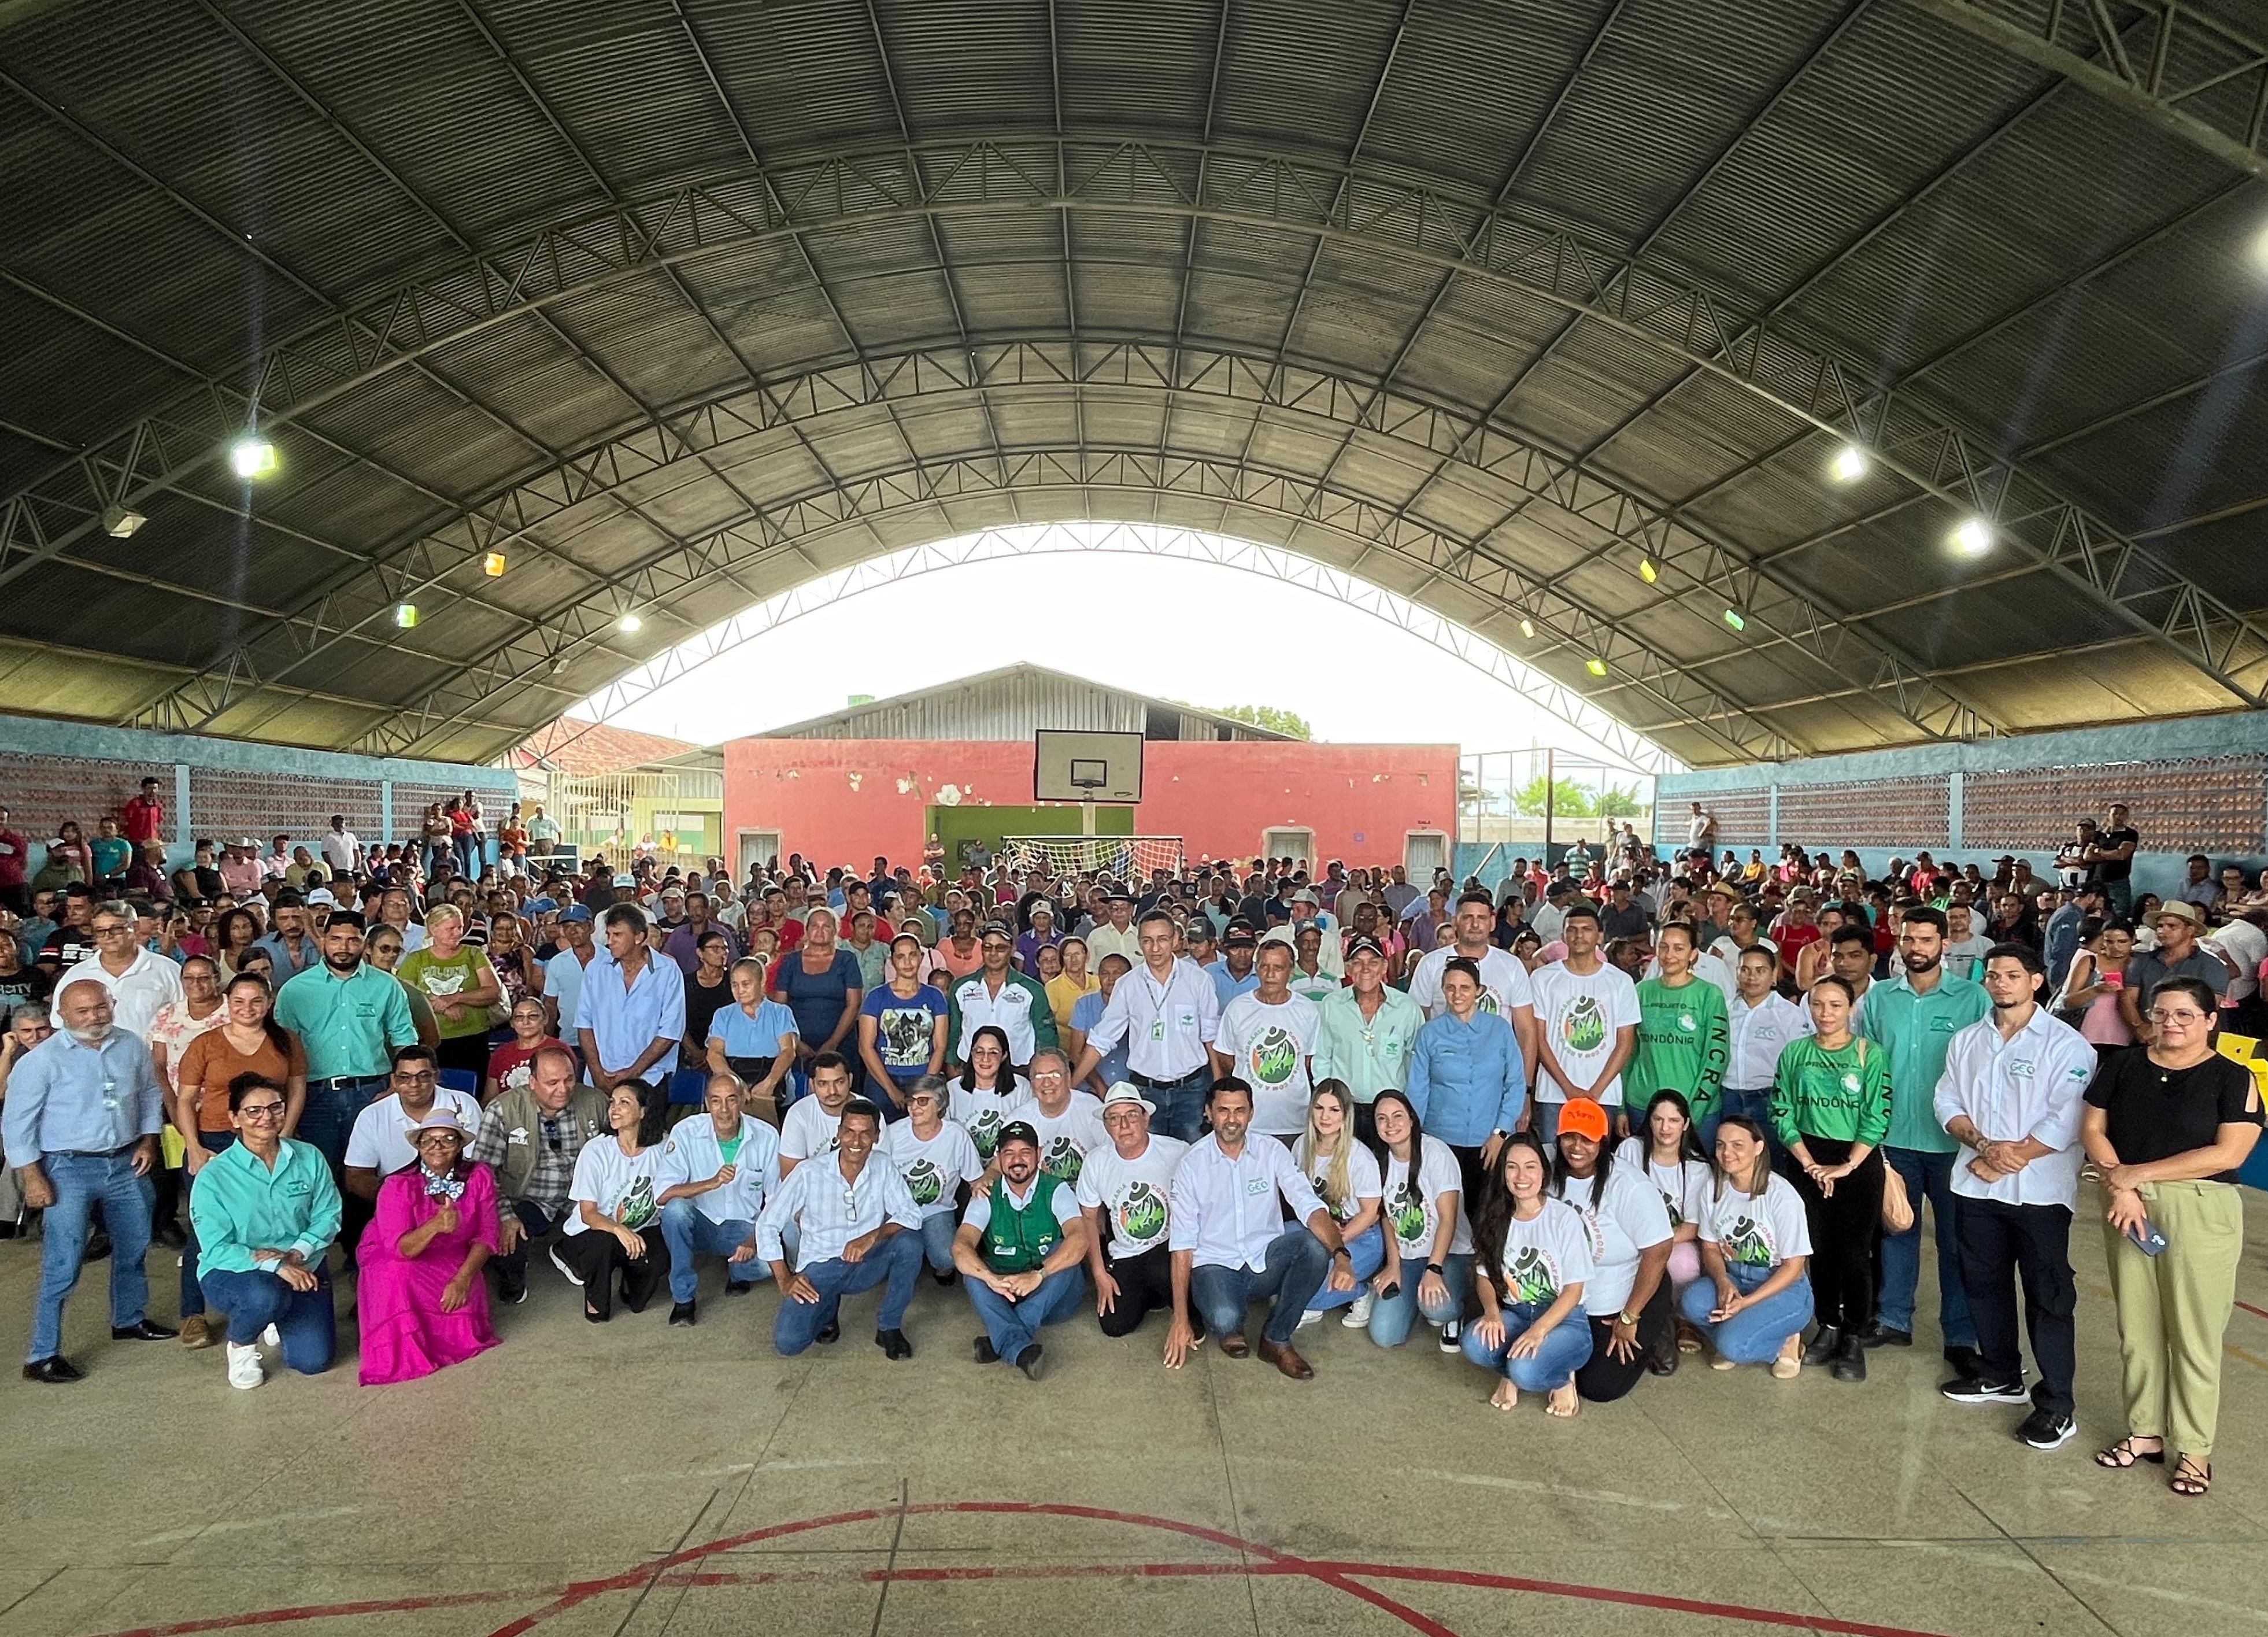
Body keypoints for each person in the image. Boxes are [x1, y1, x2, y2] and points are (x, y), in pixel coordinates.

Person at [2082, 975, 2263, 1498]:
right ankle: (2145, 1432)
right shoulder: (2121, 1065)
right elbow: (2093, 1128)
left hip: (2199, 1208)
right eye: (2161, 1013)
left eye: (2185, 1014)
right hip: (2124, 1201)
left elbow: (2228, 1153)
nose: (2170, 1023)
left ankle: (2195, 1449)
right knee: (2136, 1328)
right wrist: (2121, 1182)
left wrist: (2138, 1176)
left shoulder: (2233, 1077)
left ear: (2210, 1021)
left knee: (2194, 1334)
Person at [1933, 944, 2096, 1450]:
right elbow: (1946, 1099)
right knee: (1983, 1282)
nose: (2001, 983)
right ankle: (2000, 1372)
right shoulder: (1967, 1040)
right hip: (1976, 1183)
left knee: (2047, 1296)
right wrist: (1981, 1146)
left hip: (2039, 1193)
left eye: (2012, 975)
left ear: (2036, 982)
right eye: (1994, 975)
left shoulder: (2067, 1045)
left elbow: (2066, 1117)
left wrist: (2010, 1156)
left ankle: (2055, 1404)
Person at [3, 978, 175, 1381]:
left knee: (134, 1245)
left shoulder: (130, 1044)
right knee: (63, 1262)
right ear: (61, 1015)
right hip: (66, 1168)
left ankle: (129, 1319)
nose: (94, 1016)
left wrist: (150, 1141)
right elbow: (16, 1124)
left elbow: (150, 1094)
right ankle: (42, 1354)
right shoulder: (41, 1060)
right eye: (83, 1011)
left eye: (101, 1007)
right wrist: (33, 1177)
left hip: (125, 1162)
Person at [1859, 906, 1990, 1372]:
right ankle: (1894, 1318)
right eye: (1908, 939)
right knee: (1897, 1229)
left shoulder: (1973, 999)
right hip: (1893, 1139)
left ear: (1944, 944)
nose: (1916, 948)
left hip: (1954, 1144)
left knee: (1958, 1242)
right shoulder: (1878, 1000)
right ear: (1899, 941)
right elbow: (1865, 1067)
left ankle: (1959, 1333)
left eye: (1926, 940)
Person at [1164, 1077, 1350, 1379]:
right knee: (1225, 1319)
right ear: (1209, 1112)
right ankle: (1228, 1322)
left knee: (1315, 1248)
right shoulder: (1192, 1165)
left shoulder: (1272, 1150)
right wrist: (1181, 1319)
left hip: (1265, 1258)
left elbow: (1308, 1205)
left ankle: (1276, 1339)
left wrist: (1341, 1255)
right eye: (1223, 1110)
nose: (1232, 1119)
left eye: (1240, 1110)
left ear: (1251, 1113)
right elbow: (1182, 1244)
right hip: (1216, 1262)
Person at [187, 1072, 342, 1390]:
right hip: (237, 1271)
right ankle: (242, 1343)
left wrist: (300, 1250)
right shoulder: (214, 1176)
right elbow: (216, 1248)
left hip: (303, 1264)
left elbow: (329, 1213)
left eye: (275, 1107)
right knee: (263, 1296)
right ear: (234, 1119)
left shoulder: (308, 1156)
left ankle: (277, 1315)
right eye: (253, 1111)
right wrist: (276, 1265)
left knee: (312, 1362)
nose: (266, 1118)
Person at [1771, 975, 1890, 1383]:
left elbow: (1877, 1114)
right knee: (1817, 1248)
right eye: (1818, 1004)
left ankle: (1854, 1334)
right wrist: (1807, 1162)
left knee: (1854, 1252)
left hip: (1856, 1162)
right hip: (1807, 1159)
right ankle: (1828, 1324)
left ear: (1851, 1008)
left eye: (1835, 1005)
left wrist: (1847, 1165)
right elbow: (1781, 1108)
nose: (1825, 1013)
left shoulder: (1868, 1054)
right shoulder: (1795, 1053)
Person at [754, 1096, 925, 1358]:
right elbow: (768, 1223)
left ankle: (889, 1326)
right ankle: (828, 1307)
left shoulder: (883, 1166)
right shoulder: (808, 1172)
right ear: (839, 1133)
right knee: (789, 1343)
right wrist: (785, 1279)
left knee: (910, 1243)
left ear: (877, 1136)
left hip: (866, 1262)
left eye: (865, 1134)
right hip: (821, 1267)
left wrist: (873, 1236)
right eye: (849, 1132)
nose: (856, 1142)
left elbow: (911, 1215)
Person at [354, 1106, 498, 1385]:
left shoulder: (479, 1176)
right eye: (429, 1140)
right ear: (419, 1146)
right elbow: (400, 1249)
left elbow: (487, 1234)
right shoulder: (398, 1185)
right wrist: (435, 1225)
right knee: (399, 1274)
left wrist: (463, 1279)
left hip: (453, 1257)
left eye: (448, 1139)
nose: (438, 1146)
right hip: (397, 1256)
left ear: (459, 1146)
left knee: (465, 1316)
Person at [273, 911, 419, 1177]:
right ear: (323, 940)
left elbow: (405, 1041)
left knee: (373, 1175)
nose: (343, 947)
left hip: (372, 1093)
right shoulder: (294, 990)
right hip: (314, 1096)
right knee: (320, 1174)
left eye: (353, 940)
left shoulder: (386, 986)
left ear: (364, 942)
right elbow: (282, 1051)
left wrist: (397, 1087)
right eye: (336, 939)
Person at [1460, 1128, 1594, 1416]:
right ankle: (1509, 1372)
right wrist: (1492, 1313)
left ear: (1544, 1173)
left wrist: (1539, 1332)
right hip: (1517, 1312)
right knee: (1473, 1341)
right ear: (1503, 1174)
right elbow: (1484, 1275)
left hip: (1564, 1320)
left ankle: (1560, 1380)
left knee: (1526, 1372)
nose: (1521, 1177)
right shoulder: (1496, 1217)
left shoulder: (1563, 1218)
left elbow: (1574, 1291)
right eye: (1512, 1167)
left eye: (1530, 1167)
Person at [1551, 1096, 1674, 1403]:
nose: (1577, 1147)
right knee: (1553, 1367)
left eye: (1588, 1139)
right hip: (1571, 1297)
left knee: (1598, 1387)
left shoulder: (1629, 1185)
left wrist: (1631, 1316)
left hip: (1627, 1295)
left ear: (1603, 1142)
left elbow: (1659, 1251)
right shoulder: (1545, 1174)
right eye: (1569, 1136)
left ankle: (1656, 1331)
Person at [1067, 908, 1219, 1145]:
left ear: (1177, 940)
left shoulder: (1199, 981)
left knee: (1191, 1158)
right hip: (1145, 1091)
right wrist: (1072, 1086)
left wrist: (1217, 1091)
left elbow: (1210, 1038)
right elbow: (1101, 1040)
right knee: (1148, 1160)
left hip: (1192, 1090)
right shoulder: (1128, 985)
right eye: (1148, 941)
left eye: (1163, 939)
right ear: (1139, 943)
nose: (1155, 948)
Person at [469, 1044, 607, 1303]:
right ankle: (512, 1274)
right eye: (552, 1082)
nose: (563, 1089)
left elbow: (618, 1152)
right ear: (532, 1082)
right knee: (508, 1239)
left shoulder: (595, 1101)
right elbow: (483, 1174)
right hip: (527, 1197)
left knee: (611, 1236)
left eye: (569, 1080)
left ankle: (566, 1250)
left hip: (580, 1197)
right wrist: (505, 1215)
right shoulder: (503, 1109)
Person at [953, 1120, 1089, 1379]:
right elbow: (961, 1246)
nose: (1017, 1160)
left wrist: (1038, 1275)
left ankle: (1002, 1338)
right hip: (1005, 1292)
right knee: (972, 1268)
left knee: (1066, 1249)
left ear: (1038, 1154)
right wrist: (990, 1279)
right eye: (1009, 1153)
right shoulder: (986, 1194)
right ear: (999, 1159)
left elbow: (1081, 1239)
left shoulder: (1057, 1189)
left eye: (1025, 1152)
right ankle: (1019, 1349)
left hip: (1054, 1298)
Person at [1678, 1116, 1813, 1379]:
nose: (1727, 1153)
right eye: (1721, 1145)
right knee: (1692, 1302)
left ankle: (1786, 1343)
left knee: (1733, 1347)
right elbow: (1710, 1247)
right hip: (1736, 1275)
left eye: (1738, 1145)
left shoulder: (1781, 1196)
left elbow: (1794, 1266)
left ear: (1759, 1147)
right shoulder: (1713, 1188)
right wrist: (1722, 1280)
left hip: (1782, 1285)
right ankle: (1737, 1333)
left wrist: (1747, 1302)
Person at [656, 1074, 781, 1324]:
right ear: (706, 1103)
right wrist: (711, 1183)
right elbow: (662, 1195)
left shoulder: (767, 1136)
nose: (724, 1110)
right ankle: (684, 1299)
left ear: (744, 1100)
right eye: (716, 1101)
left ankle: (737, 1270)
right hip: (700, 1223)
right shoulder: (686, 1131)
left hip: (743, 1227)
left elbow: (777, 1200)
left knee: (768, 1266)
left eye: (731, 1100)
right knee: (675, 1210)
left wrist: (753, 1239)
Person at [1406, 957, 1526, 1203]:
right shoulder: (1430, 1033)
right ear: (1443, 991)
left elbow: (1514, 1084)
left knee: (1488, 1211)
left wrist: (1500, 1133)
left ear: (1478, 991)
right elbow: (1418, 1089)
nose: (1457, 994)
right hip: (1441, 1139)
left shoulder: (1500, 1029)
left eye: (1465, 988)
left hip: (1489, 1140)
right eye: (1451, 988)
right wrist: (1415, 1141)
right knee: (1444, 1214)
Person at [1077, 1082, 1191, 1339]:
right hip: (1126, 1253)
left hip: (1169, 1249)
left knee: (1161, 1271)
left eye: (1131, 1116)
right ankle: (1153, 1294)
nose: (1124, 1126)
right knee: (1114, 1326)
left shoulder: (1177, 1152)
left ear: (1146, 1117)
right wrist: (1099, 1272)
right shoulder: (1096, 1162)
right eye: (1114, 1119)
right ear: (1106, 1126)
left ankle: (1175, 1298)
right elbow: (1088, 1218)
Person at [1363, 1087, 1471, 1352]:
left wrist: (1434, 1270)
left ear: (1412, 1119)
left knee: (1437, 1306)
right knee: (1384, 1335)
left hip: (1449, 1255)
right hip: (1410, 1257)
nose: (1391, 1124)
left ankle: (1455, 1311)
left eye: (1398, 1116)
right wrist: (1393, 1265)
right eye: (1382, 1118)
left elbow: (1448, 1218)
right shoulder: (1379, 1160)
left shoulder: (1436, 1153)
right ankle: (1416, 1297)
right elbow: (1387, 1217)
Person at [553, 1082, 671, 1321]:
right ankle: (571, 1263)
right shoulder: (596, 1150)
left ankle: (629, 1282)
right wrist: (620, 1230)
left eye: (624, 1103)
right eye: (612, 1102)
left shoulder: (662, 1147)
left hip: (641, 1227)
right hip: (594, 1230)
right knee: (603, 1246)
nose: (614, 1109)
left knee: (653, 1273)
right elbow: (588, 1214)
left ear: (644, 1112)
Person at [1529, 904, 1641, 1143]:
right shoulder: (1543, 978)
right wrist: (1568, 1089)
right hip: (1554, 1094)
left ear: (1600, 936)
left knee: (1595, 1166)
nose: (1579, 935)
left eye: (1587, 929)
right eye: (1572, 930)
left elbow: (1625, 1043)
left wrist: (1596, 1092)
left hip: (1603, 1095)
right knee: (1553, 1161)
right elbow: (1539, 1039)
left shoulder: (1620, 982)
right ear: (1563, 936)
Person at [575, 903, 686, 1143]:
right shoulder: (596, 969)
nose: (610, 941)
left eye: (618, 935)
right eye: (608, 935)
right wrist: (597, 1073)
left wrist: (631, 1075)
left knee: (646, 1149)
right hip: (599, 1080)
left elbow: (670, 1032)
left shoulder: (668, 971)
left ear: (639, 937)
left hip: (649, 1081)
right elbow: (585, 1025)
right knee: (600, 1149)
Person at [1617, 1089, 1711, 1364]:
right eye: (1658, 1120)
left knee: (1684, 1265)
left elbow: (1692, 1226)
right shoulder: (1630, 1150)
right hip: (1628, 1236)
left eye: (1673, 1121)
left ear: (1686, 1124)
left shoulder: (1697, 1167)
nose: (1665, 1128)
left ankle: (1681, 1318)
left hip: (1673, 1241)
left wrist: (1655, 1245)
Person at [1292, 1080, 1386, 1328]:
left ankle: (1362, 1291)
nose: (1325, 1117)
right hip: (1317, 1229)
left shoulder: (1360, 1156)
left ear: (1346, 1115)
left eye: (1334, 1110)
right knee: (1273, 1263)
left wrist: (1336, 1241)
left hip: (1359, 1235)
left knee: (1307, 1293)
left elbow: (1371, 1213)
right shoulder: (1301, 1146)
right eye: (1320, 1108)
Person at [1212, 940, 1322, 1141]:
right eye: (1264, 967)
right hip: (1249, 1123)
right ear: (1257, 968)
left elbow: (1308, 1061)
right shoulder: (1238, 1008)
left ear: (1291, 970)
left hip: (1294, 1122)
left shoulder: (1307, 1010)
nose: (1270, 975)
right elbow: (1225, 1057)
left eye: (1278, 968)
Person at [879, 1074, 986, 1279]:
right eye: (911, 1101)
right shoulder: (892, 1133)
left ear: (940, 1105)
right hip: (898, 1209)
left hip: (936, 1210)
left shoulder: (956, 1135)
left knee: (946, 1259)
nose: (914, 1107)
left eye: (922, 1101)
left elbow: (976, 1182)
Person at [1630, 923, 1728, 1125]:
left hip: (1694, 1107)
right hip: (1642, 1104)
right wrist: (1622, 1107)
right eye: (1663, 947)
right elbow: (1628, 1051)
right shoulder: (1640, 992)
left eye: (1679, 948)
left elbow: (1718, 1056)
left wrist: (1695, 1110)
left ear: (1693, 954)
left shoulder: (1710, 994)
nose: (1669, 955)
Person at [394, 904, 500, 1082]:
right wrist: (442, 1008)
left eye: (459, 927)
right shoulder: (416, 960)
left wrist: (455, 998)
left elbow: (492, 992)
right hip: (432, 1040)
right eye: (451, 929)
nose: (458, 933)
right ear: (434, 929)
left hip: (473, 1037)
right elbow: (405, 997)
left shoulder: (473, 954)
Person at [58, 899, 184, 1041]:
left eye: (116, 929)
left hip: (154, 1060)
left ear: (135, 928)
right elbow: (59, 1026)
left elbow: (186, 1019)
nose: (108, 936)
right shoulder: (76, 975)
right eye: (100, 931)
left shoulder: (168, 970)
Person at [771, 905, 865, 1092]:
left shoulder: (847, 960)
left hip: (841, 1045)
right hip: (796, 1048)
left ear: (836, 931)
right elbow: (779, 1007)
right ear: (806, 931)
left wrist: (832, 1044)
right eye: (815, 926)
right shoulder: (791, 961)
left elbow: (853, 1005)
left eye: (826, 926)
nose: (820, 931)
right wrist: (796, 1043)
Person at [944, 920, 1056, 1071]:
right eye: (988, 947)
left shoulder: (1032, 989)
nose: (993, 954)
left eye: (1001, 948)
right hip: (971, 1068)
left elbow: (1046, 1036)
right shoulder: (961, 987)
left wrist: (1042, 1070)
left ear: (1012, 949)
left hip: (1018, 1069)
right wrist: (951, 1065)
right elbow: (953, 1032)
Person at [858, 930, 948, 1118]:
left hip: (921, 1077)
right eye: (901, 956)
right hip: (882, 1078)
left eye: (913, 955)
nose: (907, 963)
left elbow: (940, 1046)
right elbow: (866, 1047)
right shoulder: (876, 997)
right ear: (892, 961)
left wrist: (925, 1087)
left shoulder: (935, 997)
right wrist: (890, 1089)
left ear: (921, 956)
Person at [706, 956, 798, 1115]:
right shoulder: (723, 1014)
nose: (740, 991)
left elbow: (788, 1052)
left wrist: (769, 1084)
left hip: (773, 1087)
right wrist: (736, 1086)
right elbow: (714, 1054)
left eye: (746, 984)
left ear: (762, 982)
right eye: (735, 985)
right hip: (733, 1090)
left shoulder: (781, 1013)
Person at [1004, 1049, 1107, 1182]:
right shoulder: (1018, 1119)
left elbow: (1112, 1156)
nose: (1047, 1083)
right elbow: (998, 1166)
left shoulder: (1092, 1108)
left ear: (1068, 1077)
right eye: (1039, 1077)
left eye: (1055, 1075)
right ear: (1031, 1083)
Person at [2060, 919, 2136, 1061]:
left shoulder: (2139, 964)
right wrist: (2095, 990)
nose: (2116, 947)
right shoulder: (2090, 961)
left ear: (2133, 940)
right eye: (2110, 942)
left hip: (2128, 1036)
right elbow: (2068, 1001)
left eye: (2122, 942)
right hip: (2089, 1035)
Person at [483, 996, 568, 1103]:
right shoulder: (501, 1054)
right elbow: (490, 1098)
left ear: (545, 1019)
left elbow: (567, 1093)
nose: (526, 1022)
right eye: (519, 1017)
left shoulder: (559, 1050)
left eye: (532, 1016)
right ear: (512, 1023)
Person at [541, 906, 598, 1039]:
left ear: (591, 927)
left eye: (578, 925)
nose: (573, 931)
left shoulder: (610, 959)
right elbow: (550, 1004)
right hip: (570, 1038)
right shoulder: (557, 962)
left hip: (606, 1041)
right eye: (567, 927)